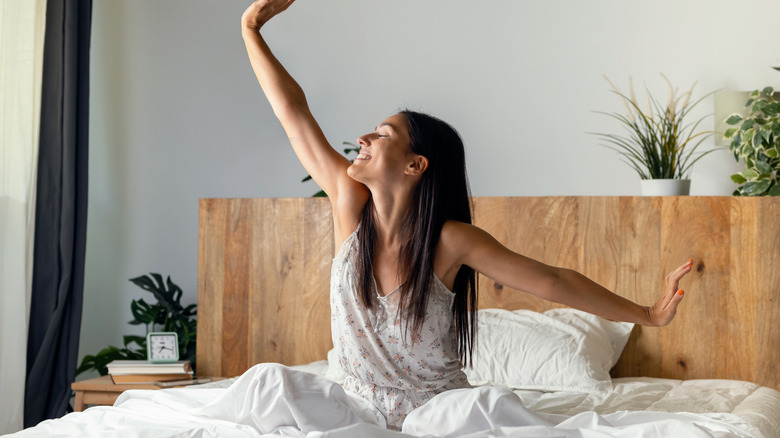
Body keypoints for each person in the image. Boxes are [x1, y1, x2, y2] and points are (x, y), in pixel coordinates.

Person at [238, 0, 693, 432]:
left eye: (382, 134)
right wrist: (251, 28)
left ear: (415, 165)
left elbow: (553, 282)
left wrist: (648, 314)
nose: (363, 138)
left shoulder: (451, 240)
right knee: (266, 384)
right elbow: (292, 112)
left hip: (438, 413)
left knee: (496, 409)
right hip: (356, 409)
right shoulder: (349, 206)